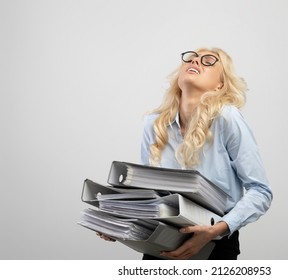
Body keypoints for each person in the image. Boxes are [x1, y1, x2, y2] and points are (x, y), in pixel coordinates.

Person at [98, 47, 272, 260]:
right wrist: (120, 220)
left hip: (214, 243)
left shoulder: (228, 118)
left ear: (220, 84)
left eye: (209, 61)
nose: (196, 61)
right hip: (162, 242)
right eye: (192, 58)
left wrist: (216, 230)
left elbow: (260, 191)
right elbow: (148, 193)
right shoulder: (154, 124)